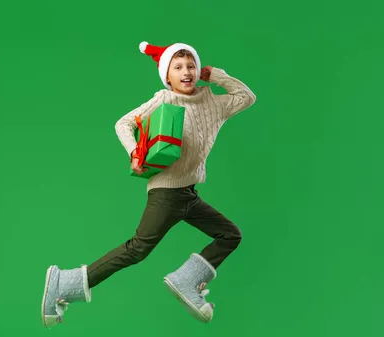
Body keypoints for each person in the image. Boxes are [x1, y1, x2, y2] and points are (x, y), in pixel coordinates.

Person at [41, 41, 256, 328]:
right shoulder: (165, 99)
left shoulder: (214, 104)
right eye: (177, 67)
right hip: (167, 192)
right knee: (136, 249)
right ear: (167, 76)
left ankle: (186, 280)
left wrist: (216, 75)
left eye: (191, 65)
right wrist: (135, 153)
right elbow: (124, 123)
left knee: (230, 235)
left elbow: (246, 97)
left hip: (188, 195)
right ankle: (63, 283)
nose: (186, 72)